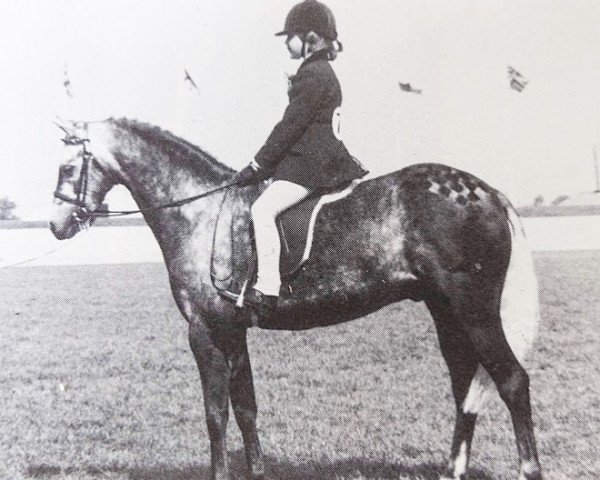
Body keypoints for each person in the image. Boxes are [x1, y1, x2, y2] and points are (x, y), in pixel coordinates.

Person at [236, 0, 368, 316]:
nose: (286, 42)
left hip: (310, 167)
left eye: (290, 35)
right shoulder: (320, 72)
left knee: (262, 209)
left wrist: (257, 166)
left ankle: (268, 286)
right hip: (318, 161)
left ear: (310, 38)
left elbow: (289, 128)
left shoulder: (312, 75)